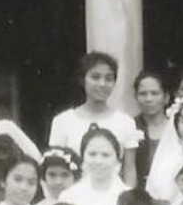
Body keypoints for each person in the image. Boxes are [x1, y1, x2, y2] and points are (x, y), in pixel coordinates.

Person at [48, 52, 141, 186]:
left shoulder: (126, 122)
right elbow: (55, 166)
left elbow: (129, 169)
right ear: (82, 80)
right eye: (95, 77)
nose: (102, 84)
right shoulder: (62, 121)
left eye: (108, 78)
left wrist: (128, 202)